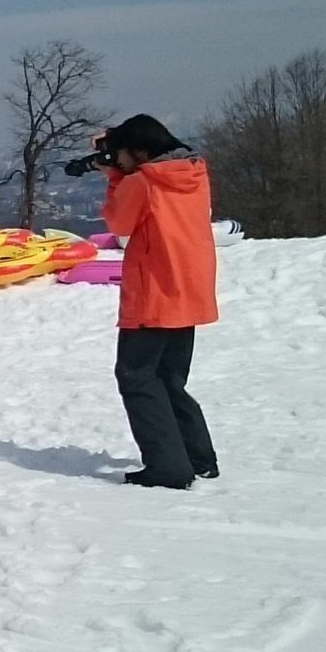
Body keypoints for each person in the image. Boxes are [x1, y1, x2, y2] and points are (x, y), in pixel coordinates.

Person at [100, 114, 220, 489]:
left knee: (136, 377)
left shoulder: (142, 181)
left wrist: (115, 177)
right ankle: (197, 457)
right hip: (190, 288)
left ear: (138, 151)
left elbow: (118, 222)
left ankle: (168, 468)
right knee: (169, 378)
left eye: (119, 153)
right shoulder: (194, 172)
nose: (116, 161)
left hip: (154, 291)